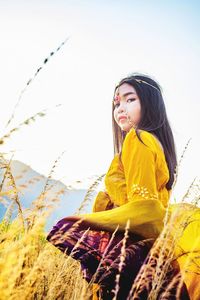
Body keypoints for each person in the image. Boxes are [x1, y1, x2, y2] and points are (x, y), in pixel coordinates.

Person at [46, 73, 199, 300]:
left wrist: (82, 221)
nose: (120, 108)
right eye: (117, 102)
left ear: (149, 103)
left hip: (134, 246)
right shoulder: (154, 143)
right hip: (156, 251)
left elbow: (146, 208)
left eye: (130, 99)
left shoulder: (138, 138)